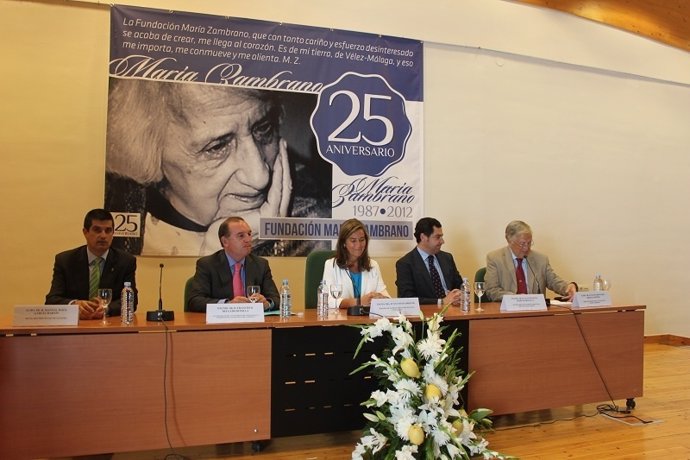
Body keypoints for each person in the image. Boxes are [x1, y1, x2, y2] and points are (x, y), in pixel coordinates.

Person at [105, 79, 331, 257]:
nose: (259, 177)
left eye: (263, 129)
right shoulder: (112, 211)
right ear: (147, 152)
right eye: (217, 147)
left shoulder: (312, 224)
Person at [45, 209, 137, 320]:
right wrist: (74, 305)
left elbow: (131, 301)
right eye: (97, 230)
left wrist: (106, 309)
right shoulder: (65, 260)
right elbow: (52, 300)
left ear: (113, 233)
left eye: (108, 230)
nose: (103, 236)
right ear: (85, 232)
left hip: (109, 326)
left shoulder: (126, 262)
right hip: (75, 326)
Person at [187, 216, 280, 312]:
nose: (248, 239)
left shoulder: (261, 265)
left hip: (253, 324)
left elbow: (276, 299)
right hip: (220, 325)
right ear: (225, 241)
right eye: (241, 235)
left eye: (249, 234)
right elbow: (195, 301)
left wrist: (267, 303)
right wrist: (228, 305)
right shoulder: (207, 265)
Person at [484, 220, 578, 302]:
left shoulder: (540, 259)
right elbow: (492, 290)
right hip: (507, 313)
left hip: (535, 312)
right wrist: (516, 298)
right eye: (522, 244)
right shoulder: (495, 258)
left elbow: (553, 280)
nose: (526, 248)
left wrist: (567, 287)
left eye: (529, 243)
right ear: (509, 240)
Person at [395, 217, 464, 306]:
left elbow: (459, 285)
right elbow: (407, 299)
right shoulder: (405, 264)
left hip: (453, 312)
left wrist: (459, 294)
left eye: (442, 236)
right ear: (423, 237)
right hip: (426, 316)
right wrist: (442, 302)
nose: (442, 241)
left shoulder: (447, 258)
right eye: (437, 237)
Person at [322, 218, 390, 308]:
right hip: (341, 320)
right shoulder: (331, 265)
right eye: (353, 241)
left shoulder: (373, 265)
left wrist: (381, 298)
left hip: (368, 320)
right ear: (344, 243)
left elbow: (385, 295)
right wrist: (359, 302)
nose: (358, 245)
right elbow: (326, 301)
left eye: (362, 240)